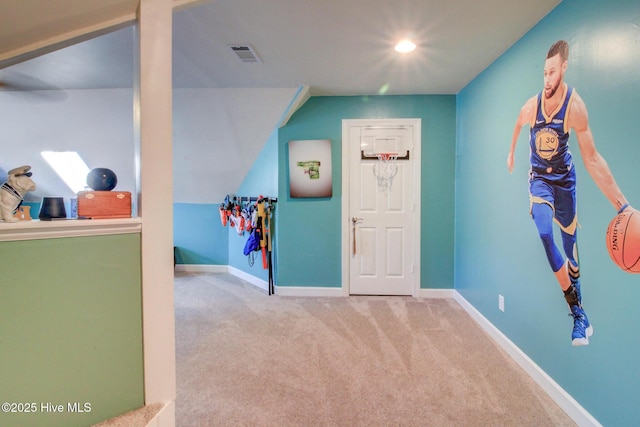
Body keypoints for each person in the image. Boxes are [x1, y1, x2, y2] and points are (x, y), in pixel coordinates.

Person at [507, 40, 631, 346]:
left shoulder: (575, 108)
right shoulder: (530, 107)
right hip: (539, 181)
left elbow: (591, 158)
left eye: (553, 72)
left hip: (565, 182)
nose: (547, 79)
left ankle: (576, 286)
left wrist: (623, 205)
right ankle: (577, 310)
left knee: (570, 247)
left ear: (564, 68)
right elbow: (517, 125)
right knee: (544, 231)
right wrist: (510, 154)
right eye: (544, 73)